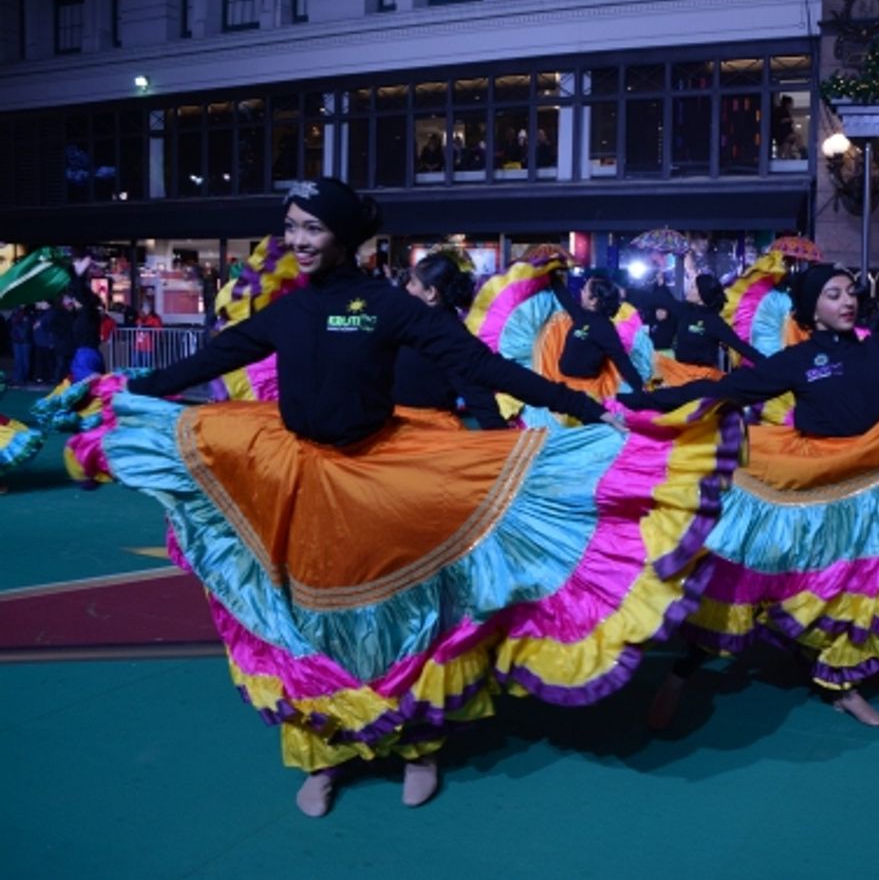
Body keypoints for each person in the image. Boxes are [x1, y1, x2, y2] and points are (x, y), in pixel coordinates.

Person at [104, 178, 736, 818]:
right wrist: (129, 391)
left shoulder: (384, 304)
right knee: (308, 624)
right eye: (291, 226)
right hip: (295, 479)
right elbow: (214, 357)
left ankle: (418, 748)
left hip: (384, 481)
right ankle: (322, 757)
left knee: (404, 621)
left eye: (312, 228)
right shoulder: (288, 310)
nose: (297, 240)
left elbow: (483, 367)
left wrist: (583, 407)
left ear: (345, 237)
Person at [629, 262, 879, 727]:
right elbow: (723, 388)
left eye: (850, 293)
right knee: (747, 575)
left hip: (870, 485)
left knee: (862, 590)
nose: (848, 300)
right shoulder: (799, 361)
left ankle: (840, 682)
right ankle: (682, 673)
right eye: (834, 295)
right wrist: (634, 404)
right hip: (808, 484)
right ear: (813, 311)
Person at [395, 252, 508, 428]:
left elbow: (476, 392)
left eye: (413, 282)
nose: (406, 288)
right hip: (393, 424)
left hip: (424, 432)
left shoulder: (450, 336)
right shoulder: (409, 321)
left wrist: (501, 441)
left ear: (431, 293)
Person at [654, 273, 763, 385]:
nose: (688, 289)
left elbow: (740, 346)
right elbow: (666, 302)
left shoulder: (713, 322)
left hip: (702, 380)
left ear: (702, 294)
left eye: (693, 287)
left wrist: (771, 365)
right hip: (679, 374)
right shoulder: (686, 310)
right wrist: (661, 284)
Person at [553, 272, 648, 394]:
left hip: (585, 388)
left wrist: (639, 387)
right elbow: (564, 296)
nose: (581, 292)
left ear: (593, 300)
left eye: (585, 290)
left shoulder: (605, 328)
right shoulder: (581, 314)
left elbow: (622, 360)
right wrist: (550, 270)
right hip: (563, 380)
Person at [9, 305, 33, 385]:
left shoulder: (28, 313)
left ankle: (22, 379)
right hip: (18, 340)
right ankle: (18, 379)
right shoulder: (16, 313)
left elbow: (27, 328)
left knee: (24, 360)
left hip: (24, 341)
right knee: (19, 360)